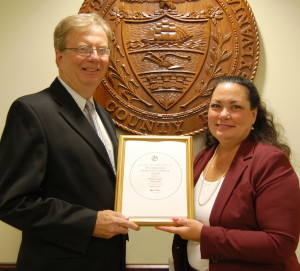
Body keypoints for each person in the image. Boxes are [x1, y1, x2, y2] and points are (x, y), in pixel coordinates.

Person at [0, 13, 140, 271]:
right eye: (83, 49)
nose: (94, 58)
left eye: (102, 50)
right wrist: (88, 222)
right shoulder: (31, 111)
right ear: (59, 56)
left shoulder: (103, 116)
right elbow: (11, 202)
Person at [157, 75, 300, 271]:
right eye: (216, 106)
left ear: (253, 114)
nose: (223, 114)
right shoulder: (203, 157)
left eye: (236, 107)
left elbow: (280, 243)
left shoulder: (269, 162)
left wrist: (204, 235)